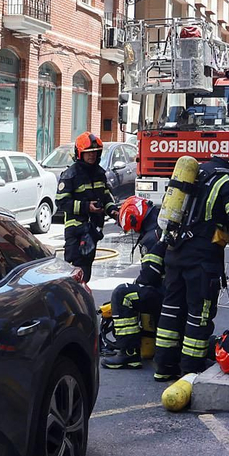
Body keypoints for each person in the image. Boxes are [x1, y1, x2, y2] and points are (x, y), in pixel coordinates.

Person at [153, 151, 229, 379]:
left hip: (175, 253)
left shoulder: (199, 171)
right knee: (199, 315)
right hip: (201, 260)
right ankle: (191, 369)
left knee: (171, 310)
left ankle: (164, 367)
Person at [102, 195, 164, 370]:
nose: (133, 232)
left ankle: (128, 353)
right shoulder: (159, 228)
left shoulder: (151, 237)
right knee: (131, 290)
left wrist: (135, 285)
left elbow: (150, 277)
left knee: (121, 294)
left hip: (165, 293)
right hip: (174, 292)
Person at [59, 132, 112, 282]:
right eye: (88, 152)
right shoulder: (70, 175)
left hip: (92, 230)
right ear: (80, 153)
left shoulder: (100, 173)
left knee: (86, 271)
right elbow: (62, 202)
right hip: (75, 231)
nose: (92, 155)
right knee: (75, 272)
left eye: (95, 152)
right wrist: (86, 207)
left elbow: (106, 197)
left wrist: (114, 211)